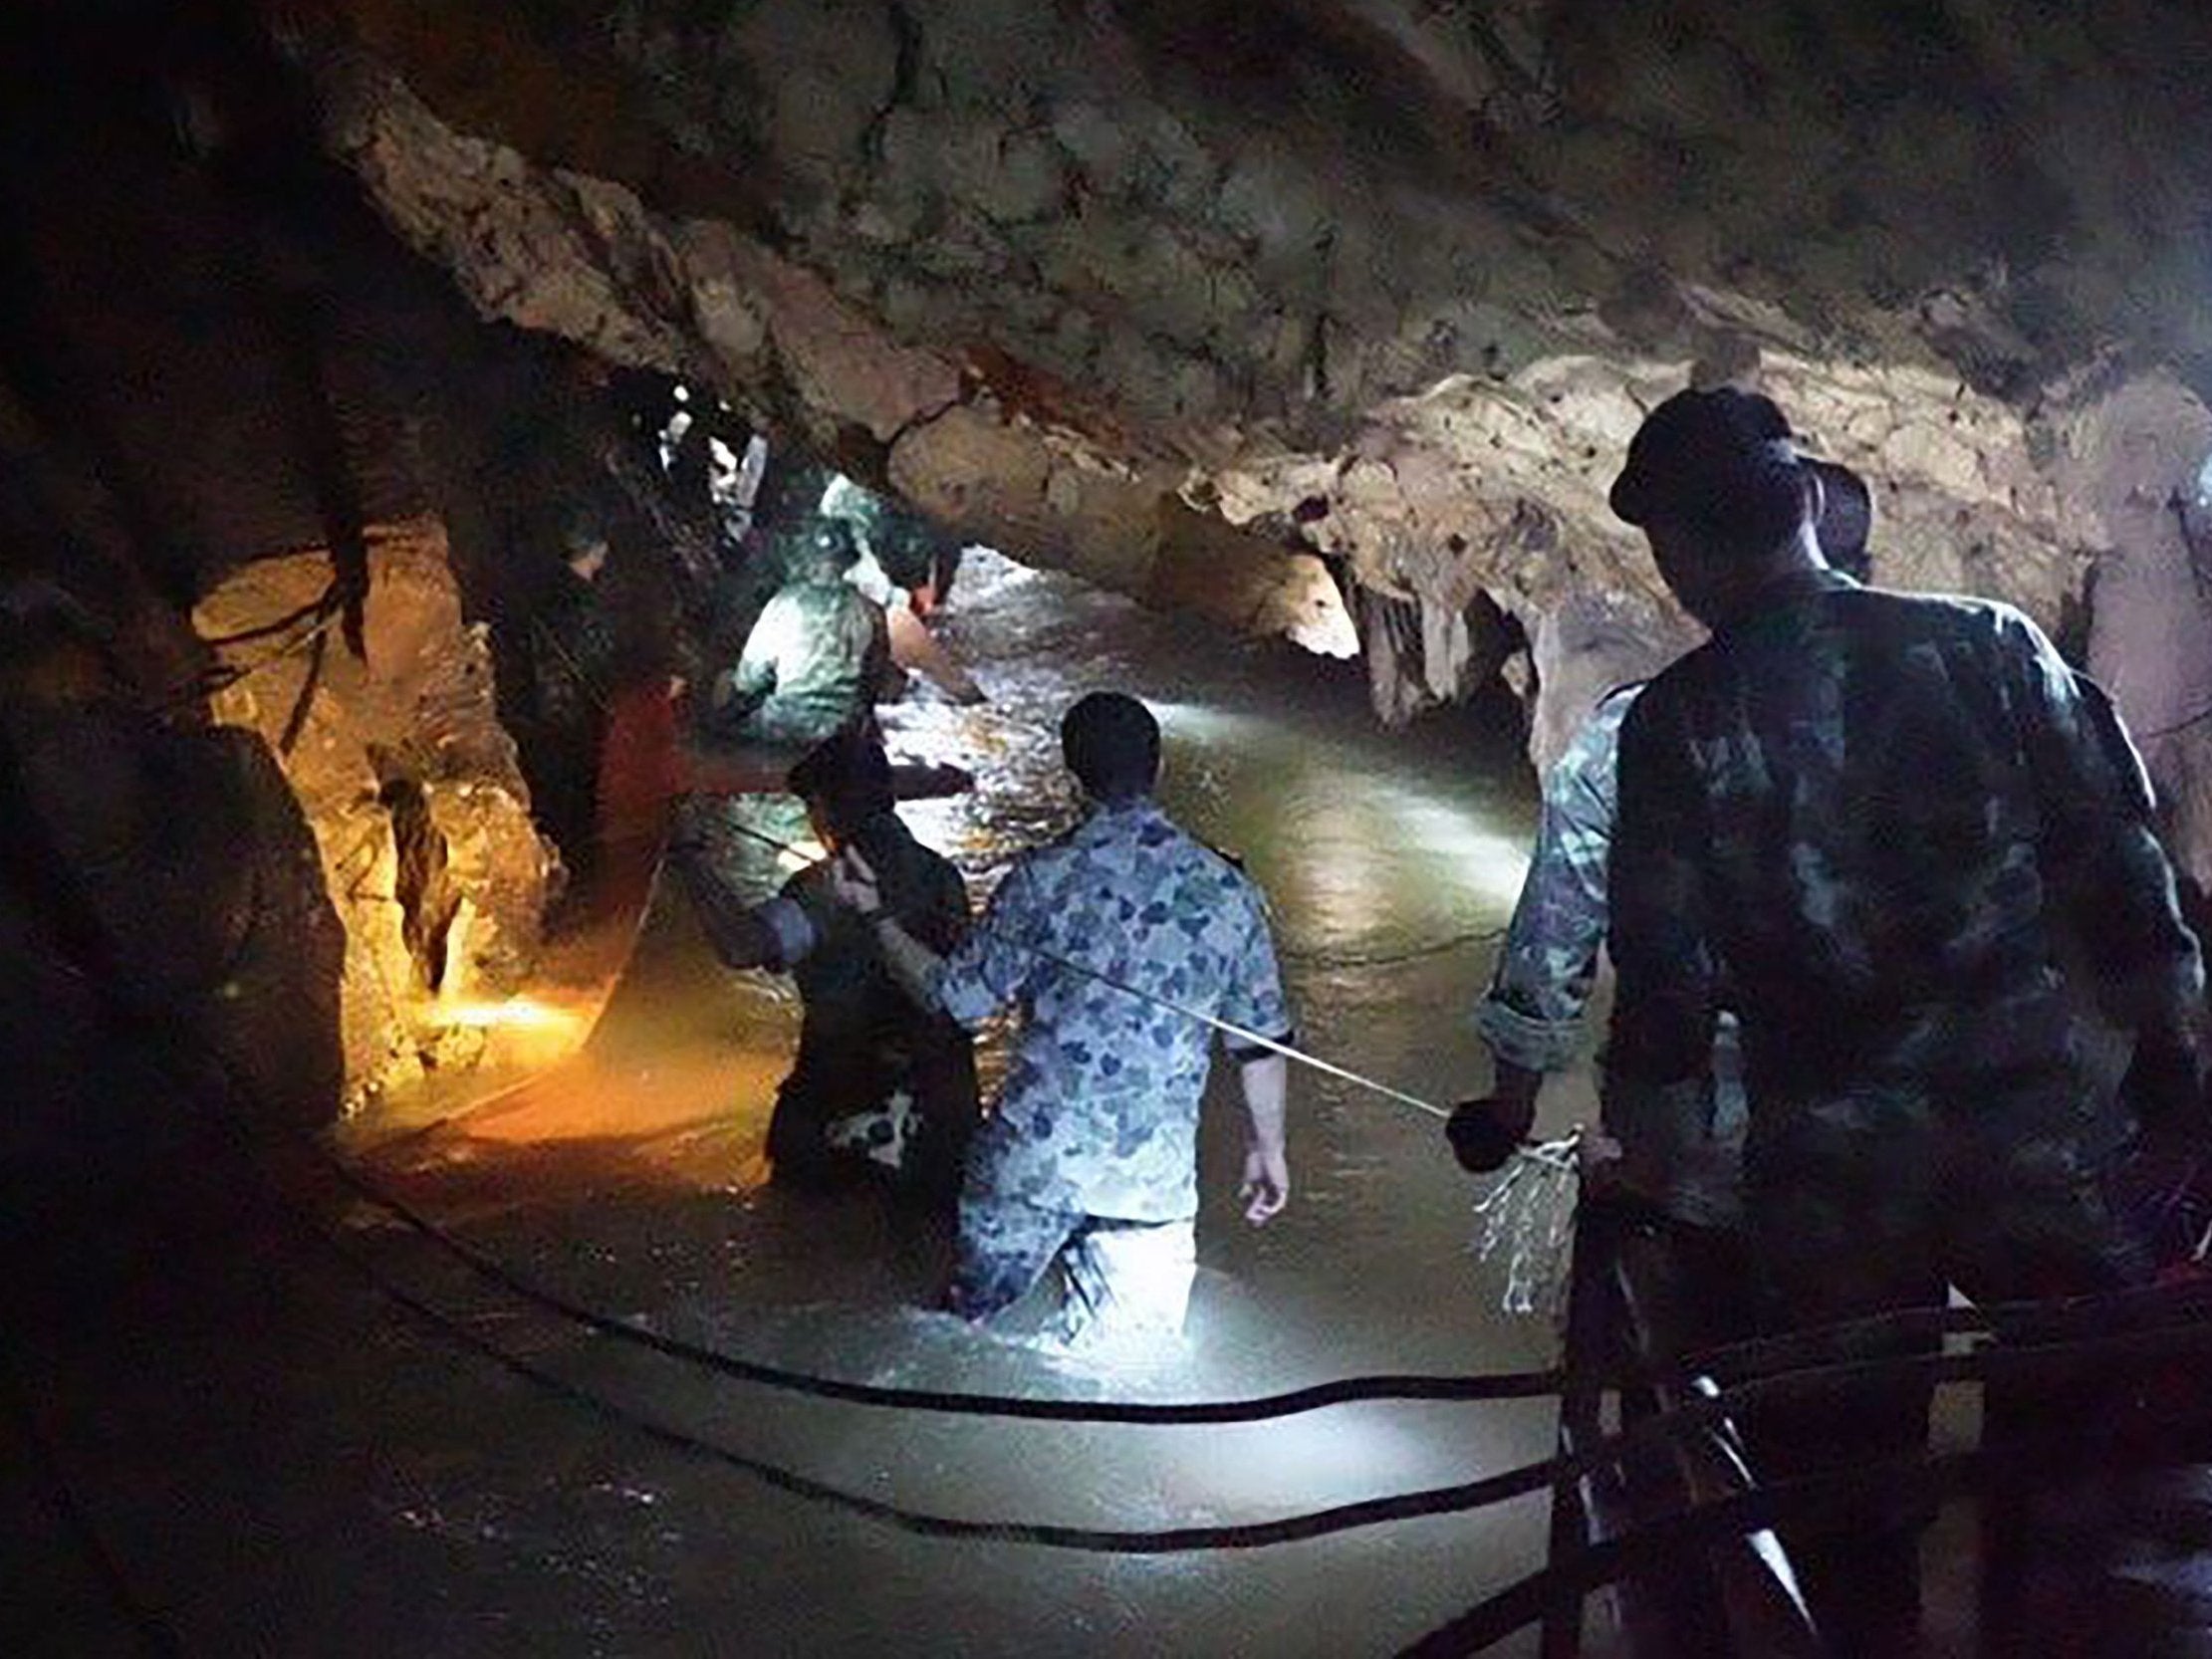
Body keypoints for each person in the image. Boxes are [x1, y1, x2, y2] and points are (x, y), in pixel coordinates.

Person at [1599, 387, 2207, 1653]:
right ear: (1810, 504)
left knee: (1839, 1497)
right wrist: (2173, 1068)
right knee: (2068, 1466)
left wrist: (1651, 1167)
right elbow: (2125, 877)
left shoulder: (1681, 722)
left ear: (1681, 551)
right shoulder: (1987, 645)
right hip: (2036, 1146)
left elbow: (1662, 986)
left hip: (1834, 1176)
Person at [1450, 458, 1874, 1248]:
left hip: (1708, 1151)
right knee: (1870, 1360)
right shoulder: (1989, 664)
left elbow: (1554, 936)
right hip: (1914, 1148)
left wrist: (1511, 1105)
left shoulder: (1640, 728)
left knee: (1692, 1353)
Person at [829, 691, 1293, 1349]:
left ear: (1071, 778)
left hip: (1032, 1165)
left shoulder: (1040, 880)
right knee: (1132, 1368)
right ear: (1156, 769)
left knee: (959, 1338)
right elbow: (1261, 1041)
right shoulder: (1227, 891)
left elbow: (956, 1002)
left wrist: (875, 916)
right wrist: (1267, 1149)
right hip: (1149, 1182)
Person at [671, 729, 977, 1197]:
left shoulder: (828, 886)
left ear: (824, 808)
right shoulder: (944, 876)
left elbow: (743, 946)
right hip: (943, 1113)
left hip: (850, 1108)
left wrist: (688, 856)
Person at [710, 519, 894, 749]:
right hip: (841, 730)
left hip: (783, 723)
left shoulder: (785, 602)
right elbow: (874, 681)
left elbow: (749, 679)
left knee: (723, 689)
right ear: (850, 560)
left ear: (808, 557)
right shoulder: (872, 611)